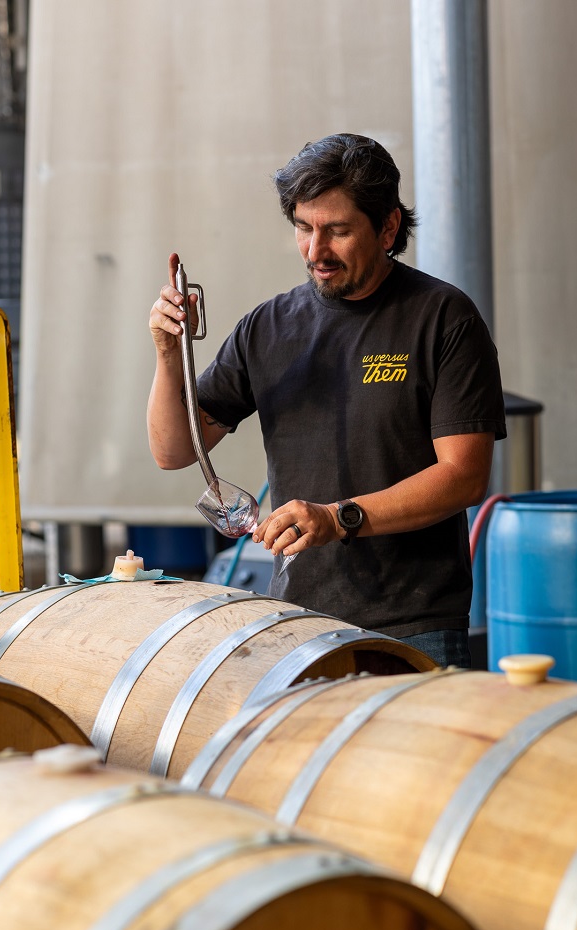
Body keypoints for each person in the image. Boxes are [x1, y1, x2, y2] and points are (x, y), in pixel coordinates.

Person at [148, 133, 505, 668]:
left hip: (414, 625)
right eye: (303, 228)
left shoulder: (442, 318)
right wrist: (167, 356)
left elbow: (465, 475)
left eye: (337, 231)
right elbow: (174, 450)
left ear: (388, 227)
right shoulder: (268, 327)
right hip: (298, 624)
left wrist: (340, 518)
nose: (316, 252)